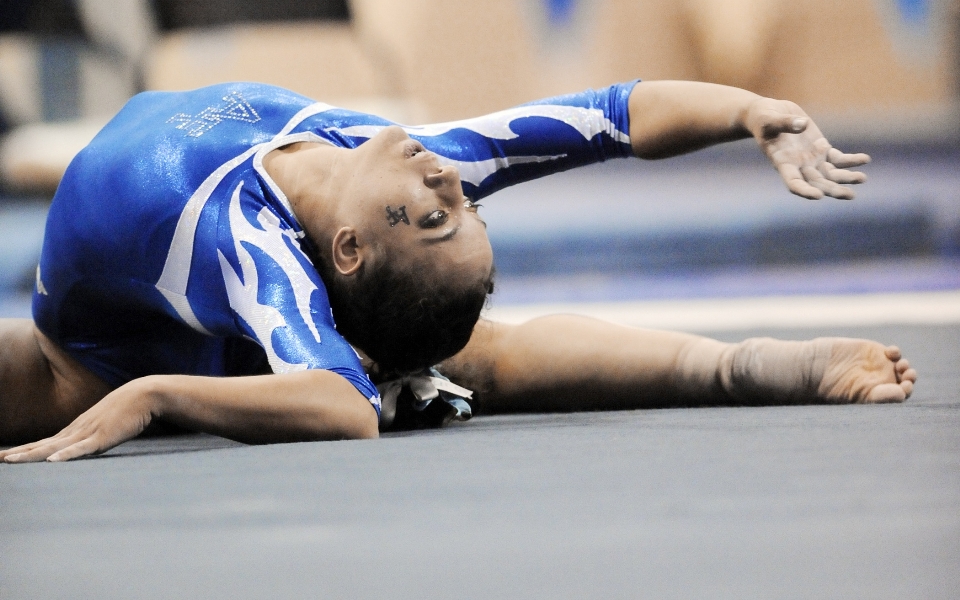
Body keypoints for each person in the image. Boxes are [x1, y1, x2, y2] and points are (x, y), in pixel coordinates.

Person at [0, 79, 916, 463]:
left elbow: (338, 406)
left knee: (465, 356)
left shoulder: (246, 241)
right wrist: (752, 111)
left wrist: (152, 394)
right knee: (472, 353)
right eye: (462, 209)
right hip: (254, 336)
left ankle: (733, 366)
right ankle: (732, 365)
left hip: (92, 362)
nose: (447, 186)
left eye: (439, 216)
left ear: (350, 252)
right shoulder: (415, 163)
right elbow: (612, 116)